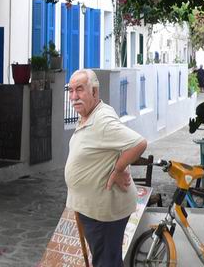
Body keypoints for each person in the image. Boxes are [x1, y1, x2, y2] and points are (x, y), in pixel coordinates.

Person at [65, 69, 147, 267]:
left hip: (104, 213)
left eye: (80, 90)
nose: (74, 96)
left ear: (94, 92)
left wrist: (118, 169)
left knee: (106, 263)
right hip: (92, 208)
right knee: (103, 260)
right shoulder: (88, 115)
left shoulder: (102, 120)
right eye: (71, 90)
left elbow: (138, 143)